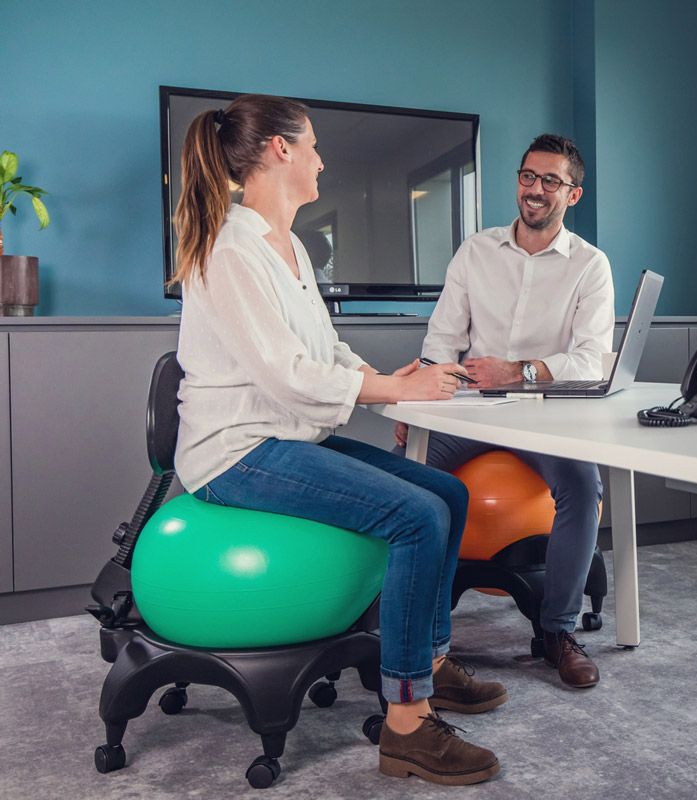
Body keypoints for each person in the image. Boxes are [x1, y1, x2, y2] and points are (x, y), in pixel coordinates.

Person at [170, 93, 506, 785]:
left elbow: (322, 347)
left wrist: (384, 375)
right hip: (236, 450)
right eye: (315, 145)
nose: (323, 159)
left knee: (446, 491)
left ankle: (430, 663)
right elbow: (288, 376)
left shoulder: (287, 244)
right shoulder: (233, 251)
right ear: (280, 150)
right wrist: (392, 393)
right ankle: (407, 724)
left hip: (287, 435)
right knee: (416, 517)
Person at [395, 133, 614, 689]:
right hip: (466, 408)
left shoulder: (590, 265)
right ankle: (406, 627)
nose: (534, 190)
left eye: (550, 181)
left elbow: (592, 359)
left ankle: (557, 631)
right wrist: (420, 395)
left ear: (574, 194)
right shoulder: (476, 251)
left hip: (543, 415)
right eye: (527, 177)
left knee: (582, 488)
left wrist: (521, 371)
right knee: (402, 478)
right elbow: (442, 338)